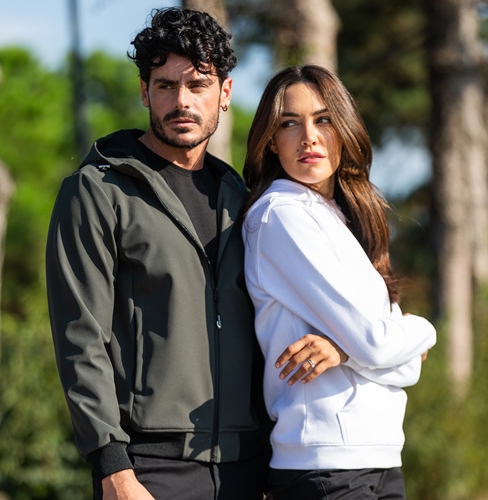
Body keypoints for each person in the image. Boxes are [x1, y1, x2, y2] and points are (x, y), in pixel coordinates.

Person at [46, 9, 345, 500]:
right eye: (165, 86)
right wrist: (112, 467)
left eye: (198, 85)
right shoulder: (97, 191)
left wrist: (341, 344)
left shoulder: (242, 198)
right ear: (144, 92)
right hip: (147, 469)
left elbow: (292, 307)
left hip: (249, 468)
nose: (181, 101)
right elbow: (80, 336)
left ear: (225, 93)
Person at [241, 65, 437, 499]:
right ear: (271, 141)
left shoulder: (343, 219)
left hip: (379, 457)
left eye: (323, 119)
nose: (309, 137)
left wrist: (346, 350)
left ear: (344, 129)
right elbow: (380, 345)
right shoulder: (281, 215)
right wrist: (423, 330)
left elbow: (407, 367)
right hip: (324, 465)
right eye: (289, 124)